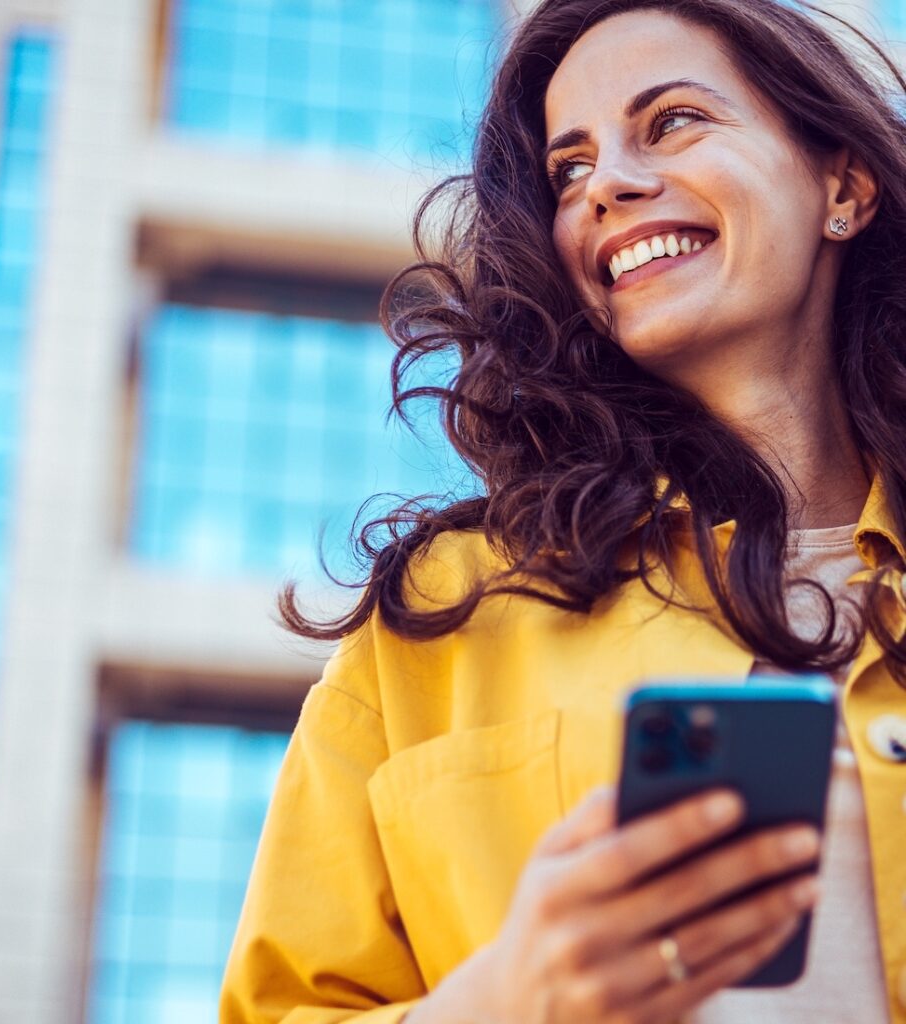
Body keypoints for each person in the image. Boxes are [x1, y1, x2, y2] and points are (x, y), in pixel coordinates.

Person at [220, 0, 906, 1021]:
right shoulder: (440, 620)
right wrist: (504, 998)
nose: (606, 189)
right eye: (567, 168)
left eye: (671, 121)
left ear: (840, 183)